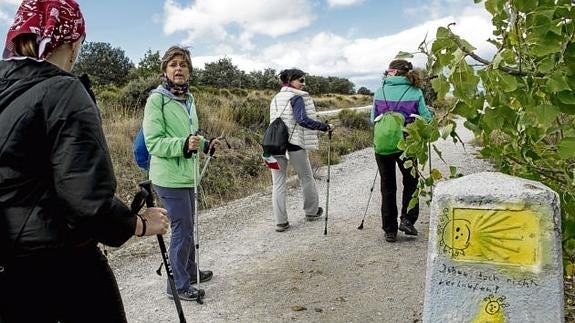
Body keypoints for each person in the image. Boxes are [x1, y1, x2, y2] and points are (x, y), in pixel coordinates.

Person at [0, 1, 169, 322]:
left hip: (8, 272)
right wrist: (140, 224)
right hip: (63, 266)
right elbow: (86, 202)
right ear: (72, 40)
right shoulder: (64, 91)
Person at [143, 45, 220, 301]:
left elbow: (192, 134)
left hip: (188, 174)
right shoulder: (157, 100)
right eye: (174, 64)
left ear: (189, 71)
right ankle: (177, 284)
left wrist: (205, 144)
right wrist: (183, 145)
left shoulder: (189, 98)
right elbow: (153, 142)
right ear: (165, 69)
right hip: (167, 177)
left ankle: (189, 270)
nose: (179, 69)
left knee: (188, 225)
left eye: (183, 64)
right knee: (182, 228)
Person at [371, 59, 433, 243]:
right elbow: (427, 119)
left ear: (393, 72)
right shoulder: (415, 91)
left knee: (387, 186)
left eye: (388, 70)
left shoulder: (380, 90)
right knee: (411, 181)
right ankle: (407, 220)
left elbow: (373, 119)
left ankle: (389, 230)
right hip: (408, 143)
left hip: (383, 145)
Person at [269, 68, 332, 232]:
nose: (304, 84)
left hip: (274, 145)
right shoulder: (296, 97)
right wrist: (324, 127)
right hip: (293, 144)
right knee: (306, 177)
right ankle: (311, 212)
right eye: (301, 80)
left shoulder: (275, 98)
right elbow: (302, 120)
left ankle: (280, 222)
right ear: (290, 80)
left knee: (278, 183)